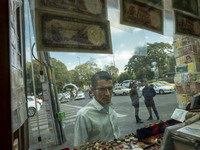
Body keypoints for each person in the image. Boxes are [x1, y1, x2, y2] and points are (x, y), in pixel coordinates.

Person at [74, 71, 120, 147]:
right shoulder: (84, 115)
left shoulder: (111, 108)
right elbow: (79, 146)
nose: (107, 93)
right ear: (92, 90)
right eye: (102, 89)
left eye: (110, 88)